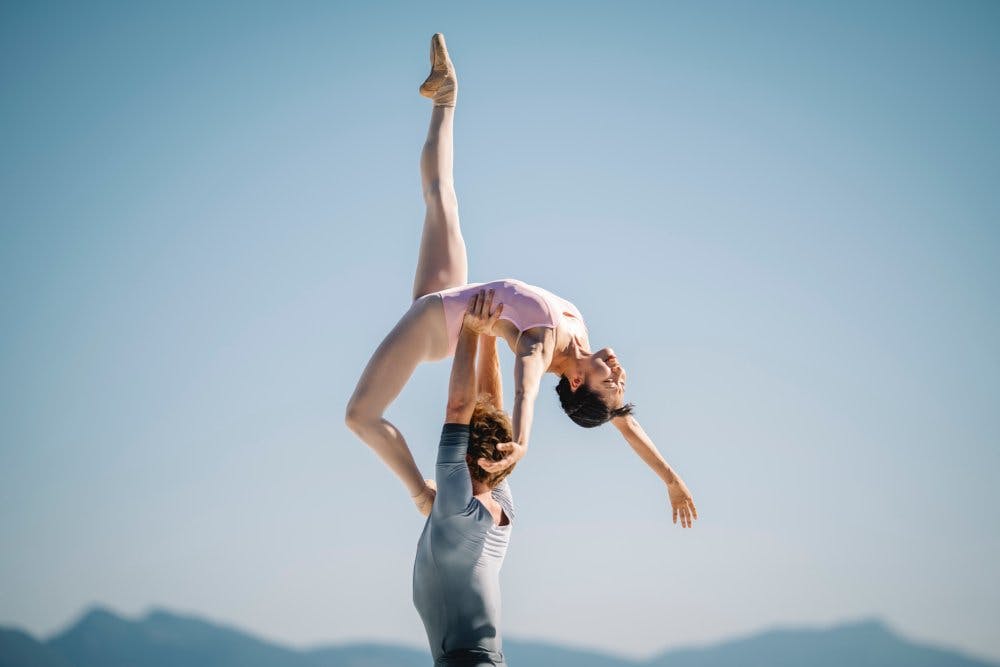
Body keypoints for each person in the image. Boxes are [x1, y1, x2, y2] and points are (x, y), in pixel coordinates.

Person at [344, 33, 697, 528]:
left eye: (608, 384)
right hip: (448, 299)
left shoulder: (542, 346)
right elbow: (626, 422)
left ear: (577, 381)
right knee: (442, 196)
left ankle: (420, 494)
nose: (619, 376)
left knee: (359, 416)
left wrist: (524, 443)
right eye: (620, 383)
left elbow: (525, 391)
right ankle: (445, 96)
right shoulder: (578, 334)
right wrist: (671, 478)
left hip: (433, 322)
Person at [413, 289, 515, 667]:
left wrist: (472, 330)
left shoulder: (458, 503)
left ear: (465, 455)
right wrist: (489, 336)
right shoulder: (498, 504)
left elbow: (459, 406)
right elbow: (492, 409)